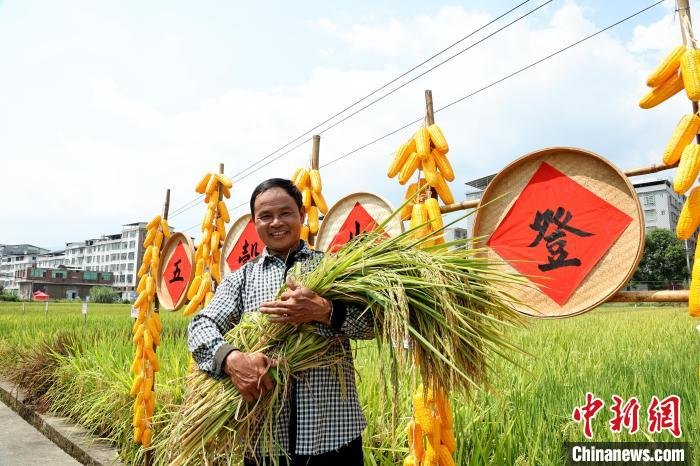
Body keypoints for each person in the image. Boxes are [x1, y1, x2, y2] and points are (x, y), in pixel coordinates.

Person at [188, 178, 374, 466]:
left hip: (334, 435)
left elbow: (373, 325)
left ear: (301, 214)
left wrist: (325, 311)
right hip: (265, 440)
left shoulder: (335, 269)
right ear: (255, 223)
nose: (276, 222)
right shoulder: (242, 278)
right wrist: (231, 359)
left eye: (285, 213)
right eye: (266, 216)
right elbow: (200, 325)